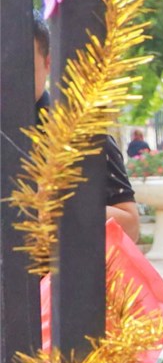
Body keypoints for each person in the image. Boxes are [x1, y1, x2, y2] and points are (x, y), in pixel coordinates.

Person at [33, 18, 141, 244]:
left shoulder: (81, 133)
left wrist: (52, 206)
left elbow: (130, 227)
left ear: (48, 62)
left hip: (54, 276)